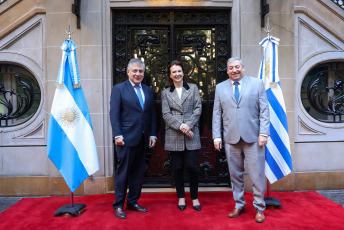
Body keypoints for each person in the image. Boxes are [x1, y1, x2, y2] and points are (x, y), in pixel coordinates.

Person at [212, 57, 270, 223]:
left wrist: (264, 134)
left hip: (254, 139)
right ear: (228, 70)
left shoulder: (257, 84)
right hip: (231, 139)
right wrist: (217, 136)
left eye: (237, 67)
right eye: (231, 68)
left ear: (243, 67)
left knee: (257, 176)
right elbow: (217, 114)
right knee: (235, 176)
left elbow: (264, 111)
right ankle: (239, 204)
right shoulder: (220, 88)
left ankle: (259, 207)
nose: (234, 70)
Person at [109, 58, 157, 219]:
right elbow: (114, 114)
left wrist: (152, 134)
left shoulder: (148, 91)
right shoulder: (119, 89)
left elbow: (151, 115)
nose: (138, 74)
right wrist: (117, 135)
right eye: (134, 71)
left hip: (143, 138)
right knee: (123, 173)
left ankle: (133, 201)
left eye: (140, 71)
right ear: (128, 72)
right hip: (125, 139)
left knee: (138, 173)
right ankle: (118, 205)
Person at [161, 60, 202, 211]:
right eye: (174, 72)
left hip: (191, 134)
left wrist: (188, 125)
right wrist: (181, 126)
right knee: (177, 168)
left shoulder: (193, 88)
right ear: (170, 75)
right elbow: (166, 114)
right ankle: (181, 197)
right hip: (174, 134)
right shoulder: (166, 93)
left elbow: (198, 108)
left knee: (193, 167)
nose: (177, 74)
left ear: (183, 72)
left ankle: (195, 197)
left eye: (179, 71)